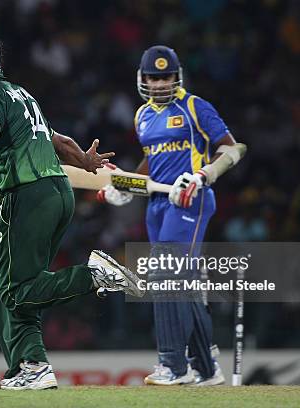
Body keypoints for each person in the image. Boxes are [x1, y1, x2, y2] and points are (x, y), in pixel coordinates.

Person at [0, 30, 142, 390]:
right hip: (59, 193)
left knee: (16, 290)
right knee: (12, 287)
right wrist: (84, 160)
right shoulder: (22, 95)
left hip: (28, 196)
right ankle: (32, 366)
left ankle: (95, 276)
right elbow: (57, 140)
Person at [98, 45, 247, 386]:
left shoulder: (195, 107)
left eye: (166, 77)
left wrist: (203, 175)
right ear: (143, 78)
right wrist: (126, 186)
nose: (161, 84)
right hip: (158, 206)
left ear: (177, 77)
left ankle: (173, 366)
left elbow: (233, 148)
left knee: (165, 275)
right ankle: (206, 369)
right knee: (184, 286)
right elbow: (151, 161)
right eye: (154, 77)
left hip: (190, 200)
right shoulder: (142, 116)